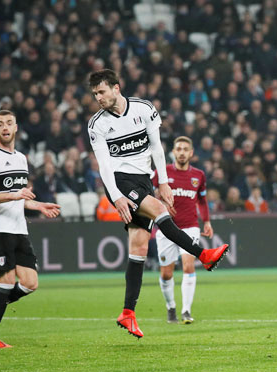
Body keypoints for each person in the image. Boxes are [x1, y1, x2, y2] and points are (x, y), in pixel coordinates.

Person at [87, 69, 228, 338]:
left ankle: (128, 313)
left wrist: (163, 182)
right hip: (120, 182)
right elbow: (104, 166)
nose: (98, 98)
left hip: (143, 180)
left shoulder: (144, 109)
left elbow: (156, 148)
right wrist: (116, 196)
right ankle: (204, 255)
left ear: (116, 88)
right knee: (161, 211)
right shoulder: (97, 125)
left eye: (101, 92)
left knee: (139, 247)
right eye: (95, 94)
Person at [0, 110, 60, 349]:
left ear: (16, 127)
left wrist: (38, 205)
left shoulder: (21, 159)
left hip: (19, 228)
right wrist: (15, 194)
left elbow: (20, 197)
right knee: (7, 280)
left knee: (30, 283)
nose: (5, 127)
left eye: (9, 123)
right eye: (0, 124)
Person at [152, 136, 214, 324]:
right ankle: (171, 307)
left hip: (190, 227)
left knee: (188, 266)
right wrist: (161, 203)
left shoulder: (198, 176)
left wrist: (207, 221)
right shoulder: (162, 173)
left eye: (185, 149)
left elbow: (202, 200)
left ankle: (186, 310)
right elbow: (148, 193)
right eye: (178, 149)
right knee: (166, 273)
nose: (181, 152)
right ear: (173, 151)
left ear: (191, 153)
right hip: (166, 227)